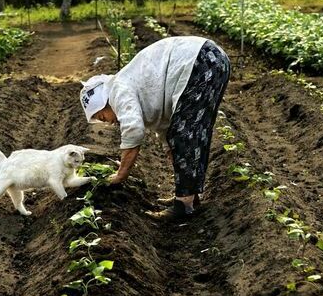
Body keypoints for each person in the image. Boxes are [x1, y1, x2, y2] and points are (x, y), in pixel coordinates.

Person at [79, 36, 230, 217]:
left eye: (101, 116)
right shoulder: (126, 87)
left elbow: (133, 130)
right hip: (210, 60)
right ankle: (189, 196)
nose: (107, 122)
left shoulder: (118, 91)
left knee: (186, 133)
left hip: (200, 60)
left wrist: (121, 175)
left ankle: (184, 203)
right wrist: (171, 149)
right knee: (191, 133)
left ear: (104, 102)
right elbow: (165, 127)